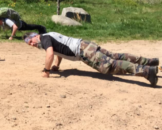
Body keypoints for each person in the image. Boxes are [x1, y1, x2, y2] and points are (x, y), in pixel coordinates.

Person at [23, 32, 159, 86]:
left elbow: (50, 54)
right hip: (86, 44)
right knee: (115, 56)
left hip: (84, 51)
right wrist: (57, 66)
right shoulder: (48, 35)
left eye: (31, 41)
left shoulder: (44, 39)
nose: (32, 44)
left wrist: (46, 70)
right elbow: (59, 51)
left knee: (110, 66)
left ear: (36, 36)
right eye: (29, 44)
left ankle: (147, 71)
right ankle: (149, 61)